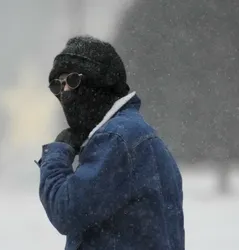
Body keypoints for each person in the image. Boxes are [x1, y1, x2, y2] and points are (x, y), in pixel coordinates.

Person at [36, 35, 185, 250]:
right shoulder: (138, 134)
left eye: (72, 81)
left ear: (101, 83)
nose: (65, 93)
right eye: (57, 85)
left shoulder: (117, 139)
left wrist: (56, 154)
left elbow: (66, 211)